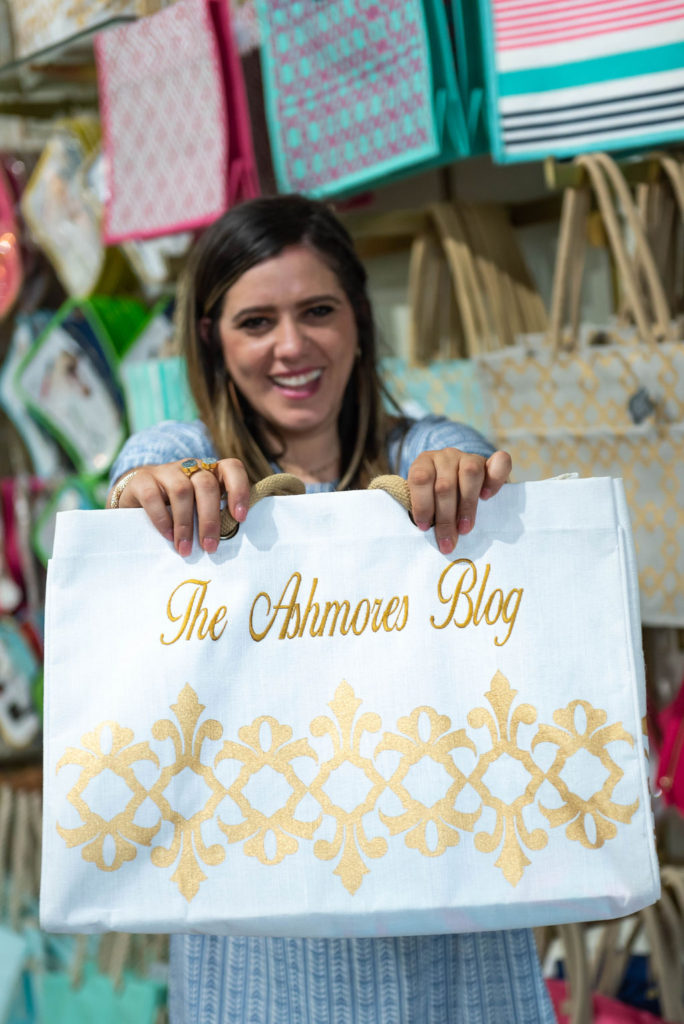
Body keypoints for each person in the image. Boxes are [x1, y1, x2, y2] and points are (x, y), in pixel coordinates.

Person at [108, 195, 555, 1024]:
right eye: (255, 321)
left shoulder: (420, 451)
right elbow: (146, 469)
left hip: (448, 927)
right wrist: (149, 486)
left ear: (358, 318)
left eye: (317, 311)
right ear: (212, 337)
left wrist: (457, 470)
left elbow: (445, 450)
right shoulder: (194, 465)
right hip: (259, 946)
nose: (291, 346)